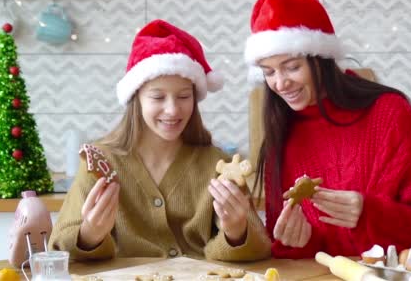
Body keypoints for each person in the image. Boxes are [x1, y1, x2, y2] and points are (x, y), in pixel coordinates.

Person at [244, 0, 411, 259]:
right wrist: (299, 242)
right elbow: (293, 254)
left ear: (321, 59)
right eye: (269, 72)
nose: (280, 82)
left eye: (291, 67)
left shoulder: (390, 115)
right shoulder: (282, 132)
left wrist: (370, 213)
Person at [49, 19, 271, 261]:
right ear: (137, 99)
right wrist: (89, 235)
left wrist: (237, 232)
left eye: (184, 96)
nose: (172, 110)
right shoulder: (99, 162)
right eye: (158, 97)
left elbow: (261, 248)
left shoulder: (220, 166)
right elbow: (58, 249)